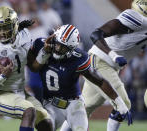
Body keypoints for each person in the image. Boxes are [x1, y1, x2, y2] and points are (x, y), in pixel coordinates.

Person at [27, 24, 132, 131]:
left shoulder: (78, 58)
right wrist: (44, 53)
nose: (58, 49)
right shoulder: (41, 44)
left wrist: (119, 102)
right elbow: (32, 67)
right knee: (43, 125)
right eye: (57, 44)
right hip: (50, 103)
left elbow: (100, 81)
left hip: (73, 104)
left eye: (63, 48)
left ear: (71, 49)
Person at [61, 0, 146, 131]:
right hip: (101, 61)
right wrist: (113, 55)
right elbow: (96, 34)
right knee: (123, 104)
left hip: (108, 65)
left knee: (85, 108)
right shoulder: (137, 18)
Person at [0, 6, 53, 131]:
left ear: (14, 26)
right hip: (1, 94)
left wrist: (45, 52)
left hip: (21, 92)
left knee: (46, 122)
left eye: (6, 27)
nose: (2, 32)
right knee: (29, 111)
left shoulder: (24, 35)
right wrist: (3, 76)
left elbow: (34, 67)